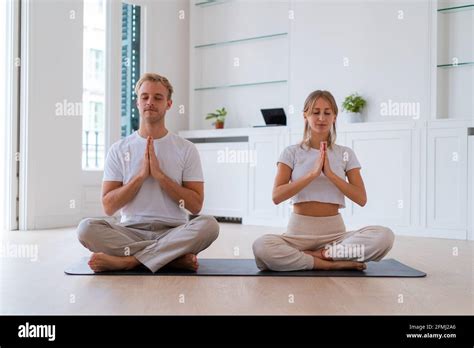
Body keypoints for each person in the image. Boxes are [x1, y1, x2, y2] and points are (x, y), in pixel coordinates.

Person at [76, 73, 219, 273]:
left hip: (173, 232)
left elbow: (195, 206)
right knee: (86, 228)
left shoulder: (186, 148)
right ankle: (169, 258)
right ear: (137, 102)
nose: (150, 102)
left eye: (157, 98)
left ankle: (130, 261)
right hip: (130, 232)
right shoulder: (119, 149)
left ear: (168, 104)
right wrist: (141, 176)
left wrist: (160, 176)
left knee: (210, 225)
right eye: (145, 97)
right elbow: (109, 206)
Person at [252, 90, 394, 271]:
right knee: (261, 246)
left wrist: (331, 175)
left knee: (384, 236)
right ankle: (329, 264)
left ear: (334, 117)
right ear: (305, 115)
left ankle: (321, 256)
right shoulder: (291, 152)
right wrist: (312, 174)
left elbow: (361, 198)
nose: (321, 118)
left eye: (327, 113)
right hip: (298, 235)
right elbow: (276, 196)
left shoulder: (345, 154)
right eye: (315, 112)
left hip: (335, 237)